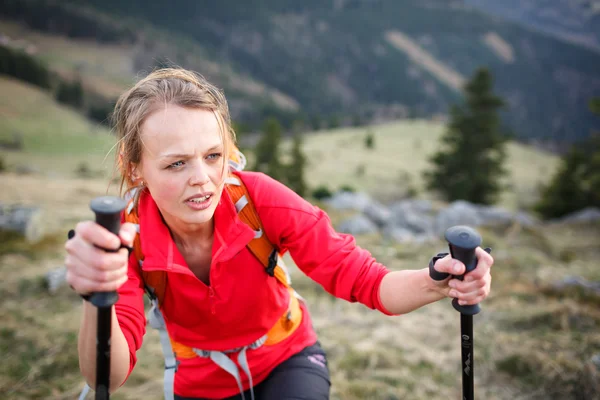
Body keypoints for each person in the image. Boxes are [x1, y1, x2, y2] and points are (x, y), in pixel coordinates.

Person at [64, 68, 494, 400]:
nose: (203, 179)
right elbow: (107, 375)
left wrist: (438, 279)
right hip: (199, 382)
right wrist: (95, 295)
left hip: (288, 357)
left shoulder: (258, 201)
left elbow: (366, 280)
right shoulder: (123, 243)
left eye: (213, 156)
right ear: (133, 167)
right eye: (176, 163)